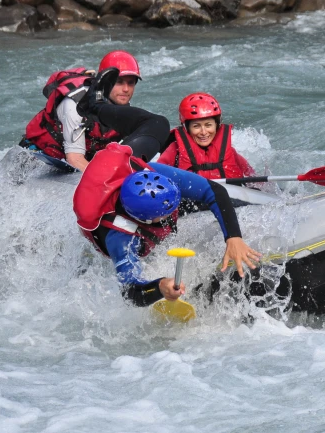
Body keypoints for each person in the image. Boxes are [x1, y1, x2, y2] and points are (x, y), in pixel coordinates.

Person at [73, 142, 262, 306]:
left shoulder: (153, 173)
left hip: (145, 199)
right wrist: (159, 286)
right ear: (145, 220)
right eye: (167, 212)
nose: (175, 211)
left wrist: (233, 237)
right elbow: (130, 292)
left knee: (209, 201)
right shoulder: (121, 239)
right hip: (118, 230)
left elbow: (214, 191)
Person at [21, 50, 167, 170]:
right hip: (36, 157)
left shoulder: (120, 105)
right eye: (119, 82)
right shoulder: (74, 104)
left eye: (131, 83)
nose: (126, 89)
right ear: (106, 82)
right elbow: (75, 158)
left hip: (75, 160)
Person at [157, 92, 256, 179]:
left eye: (208, 125)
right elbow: (155, 175)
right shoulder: (175, 150)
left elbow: (254, 178)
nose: (204, 132)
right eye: (196, 126)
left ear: (217, 125)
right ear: (187, 128)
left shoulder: (230, 152)